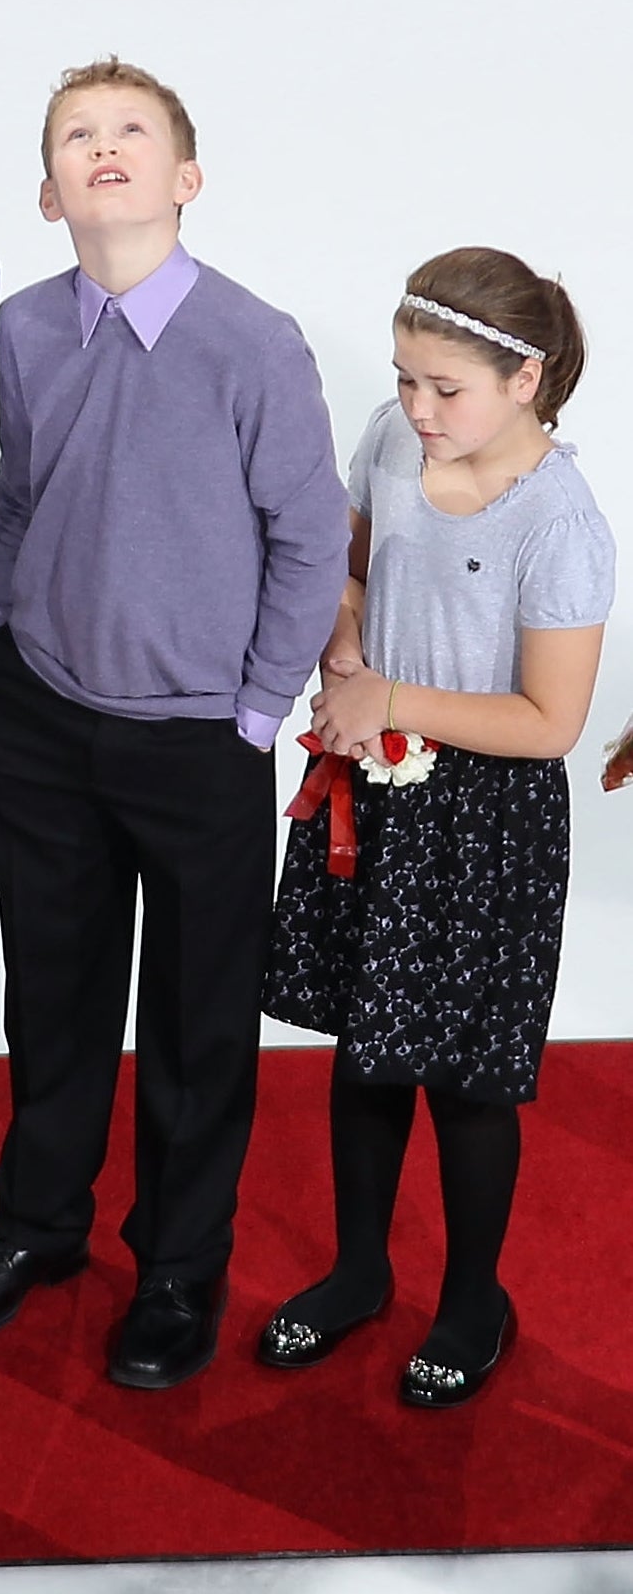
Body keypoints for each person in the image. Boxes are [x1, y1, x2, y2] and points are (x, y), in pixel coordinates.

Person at [0, 58, 347, 1387]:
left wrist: (255, 707)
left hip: (193, 739)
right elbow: (20, 486)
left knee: (195, 1020)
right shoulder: (25, 325)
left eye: (130, 132)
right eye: (74, 136)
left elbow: (308, 530)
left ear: (182, 177)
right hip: (36, 720)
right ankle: (36, 1225)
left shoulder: (250, 341)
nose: (102, 149)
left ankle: (174, 1263)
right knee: (52, 994)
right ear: (47, 192)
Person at [259, 248, 612, 1408]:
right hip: (375, 781)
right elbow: (347, 570)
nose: (415, 408)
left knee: (464, 1077)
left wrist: (392, 702)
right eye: (406, 379)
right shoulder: (394, 442)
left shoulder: (558, 523)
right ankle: (358, 1269)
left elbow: (548, 720)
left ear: (527, 378)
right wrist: (346, 648)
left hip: (486, 817)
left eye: (442, 388)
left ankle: (472, 1297)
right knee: (366, 1052)